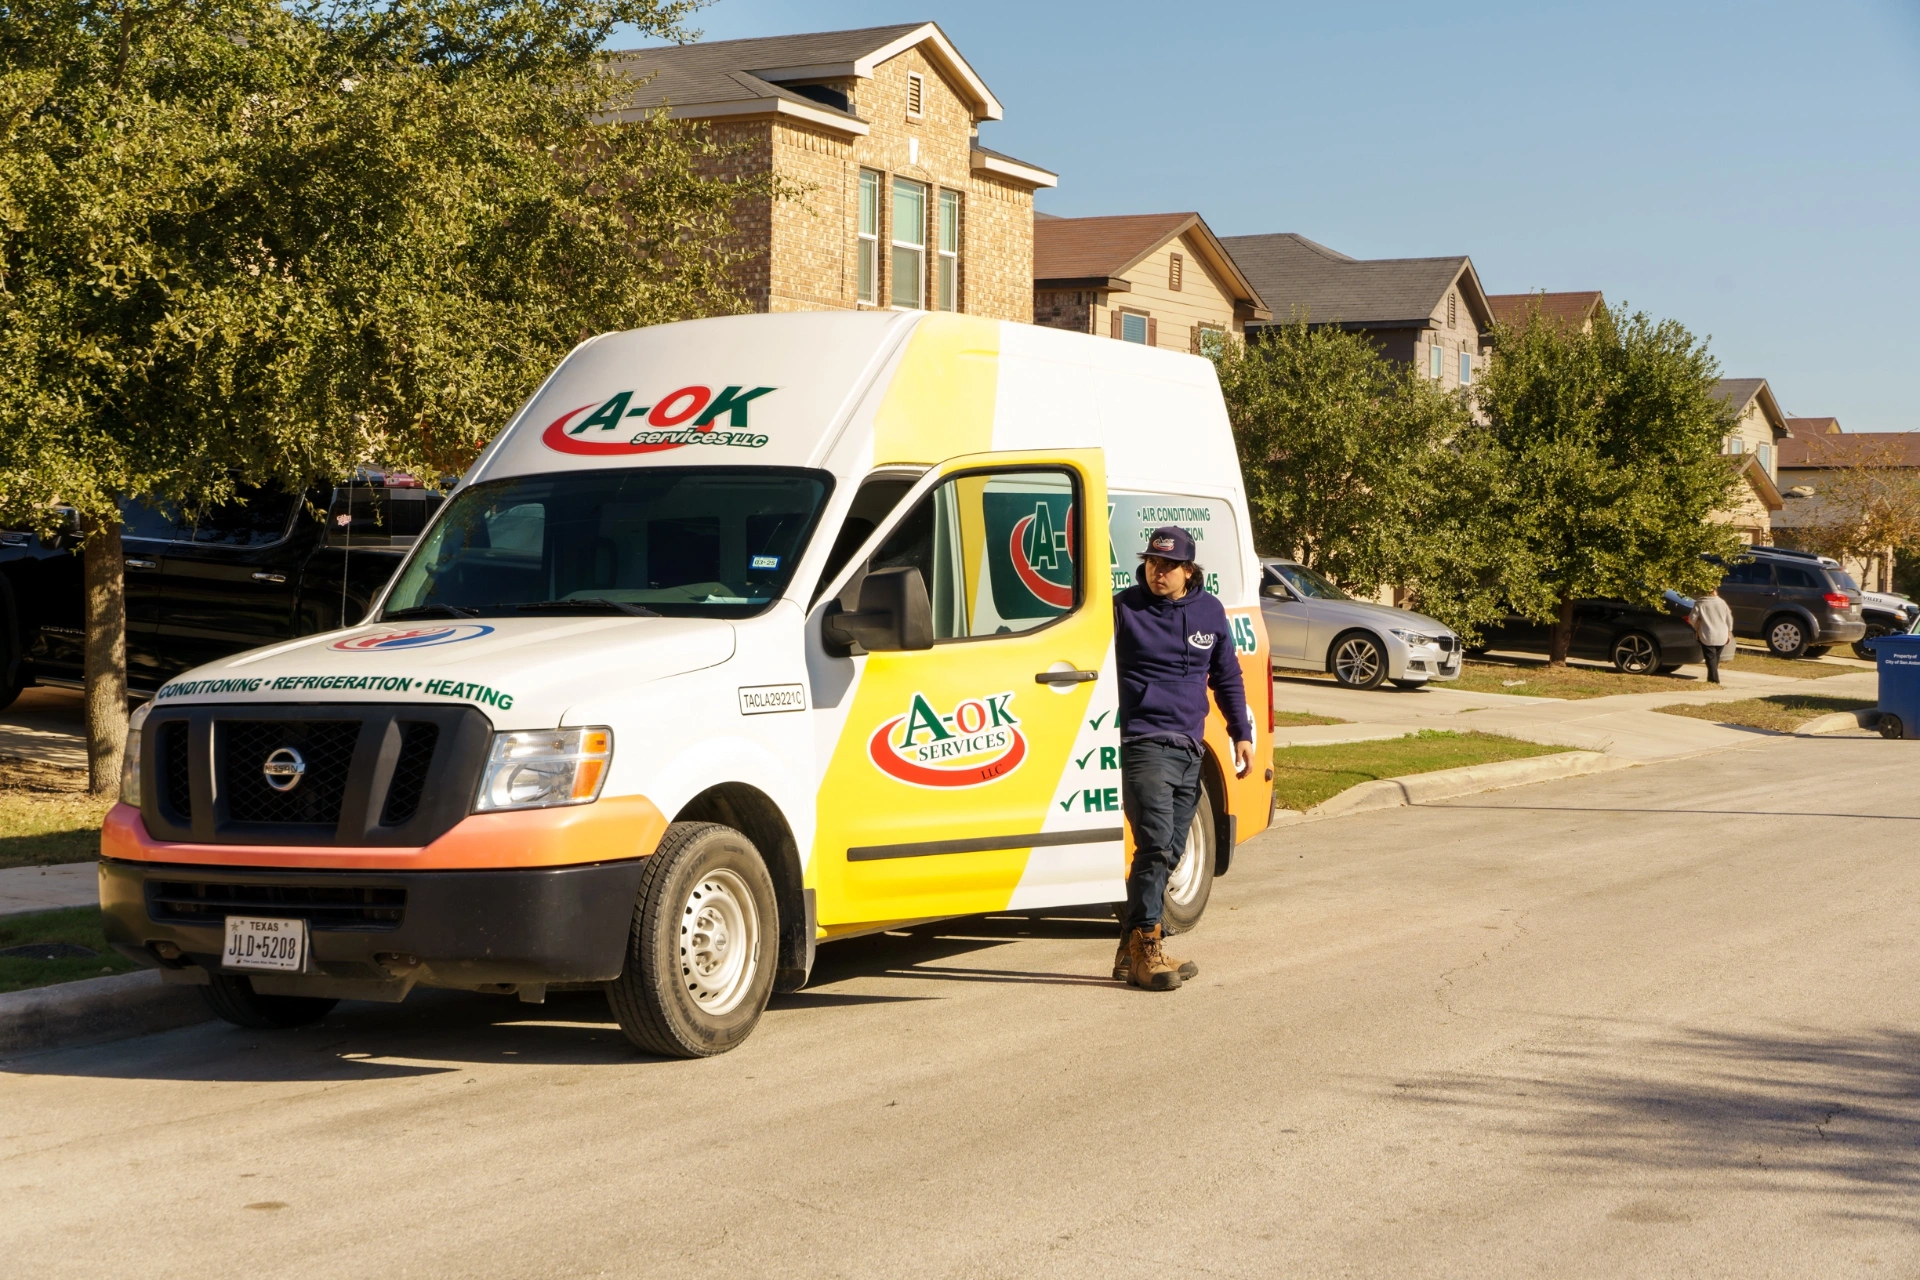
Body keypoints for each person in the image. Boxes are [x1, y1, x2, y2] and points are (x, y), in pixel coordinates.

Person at [1110, 526, 1254, 991]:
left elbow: (1227, 676)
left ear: (1189, 570)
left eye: (1169, 565)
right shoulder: (1122, 608)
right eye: (1153, 561)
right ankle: (1146, 950)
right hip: (1144, 741)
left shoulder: (1209, 612)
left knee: (1172, 849)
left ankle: (1130, 949)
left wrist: (1241, 734)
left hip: (1191, 747)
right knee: (1154, 845)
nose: (1159, 571)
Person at [1688, 583, 1734, 684]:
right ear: (1715, 591)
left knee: (1710, 658)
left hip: (1707, 634)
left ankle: (1714, 680)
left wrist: (1696, 625)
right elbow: (1729, 619)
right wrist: (1729, 632)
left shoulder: (1700, 603)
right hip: (1722, 634)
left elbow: (1692, 619)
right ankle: (1711, 678)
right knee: (1715, 658)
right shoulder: (1722, 602)